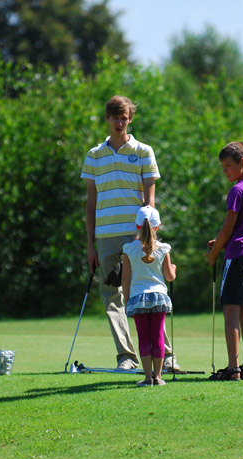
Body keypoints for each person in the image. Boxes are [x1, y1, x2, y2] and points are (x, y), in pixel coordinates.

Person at [82, 95, 177, 371]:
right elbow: (91, 202)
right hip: (105, 235)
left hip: (136, 234)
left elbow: (150, 198)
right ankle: (126, 356)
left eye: (124, 117)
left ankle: (166, 356)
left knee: (146, 291)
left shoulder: (144, 151)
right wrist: (90, 245)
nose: (120, 122)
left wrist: (143, 236)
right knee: (112, 295)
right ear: (107, 119)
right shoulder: (94, 155)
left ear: (130, 119)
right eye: (115, 117)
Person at [204, 142, 243, 381]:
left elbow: (228, 229)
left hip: (238, 256)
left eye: (228, 166)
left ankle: (233, 367)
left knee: (230, 310)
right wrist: (221, 241)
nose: (225, 172)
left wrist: (213, 254)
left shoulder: (237, 191)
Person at [122, 206, 177, 386]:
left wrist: (127, 300)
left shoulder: (129, 249)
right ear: (158, 226)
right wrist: (174, 270)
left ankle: (147, 377)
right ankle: (158, 377)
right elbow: (169, 277)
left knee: (143, 336)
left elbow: (126, 279)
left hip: (138, 298)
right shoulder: (163, 249)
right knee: (158, 335)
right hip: (159, 297)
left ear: (137, 226)